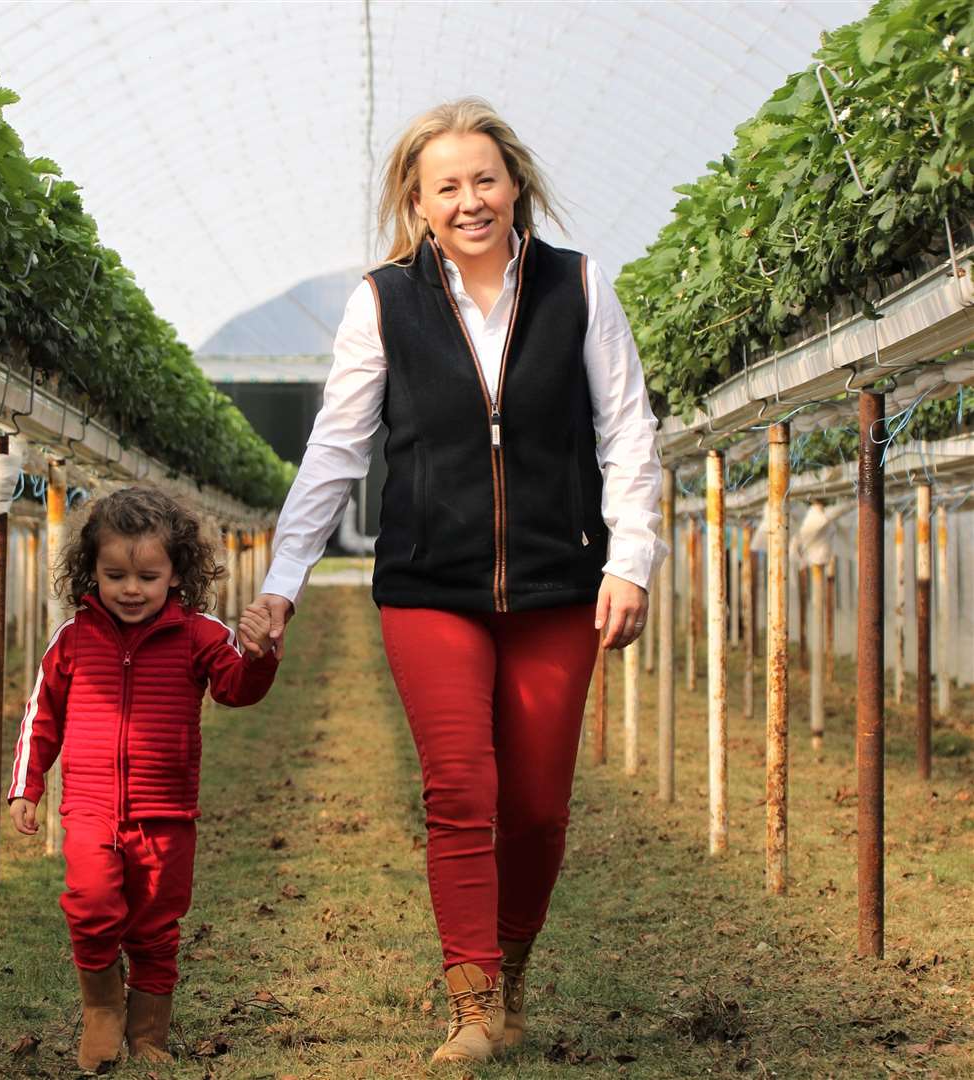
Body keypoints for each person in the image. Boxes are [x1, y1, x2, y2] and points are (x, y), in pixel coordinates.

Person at [241, 98, 666, 1064]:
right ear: (418, 203)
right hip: (430, 585)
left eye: (485, 180)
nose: (470, 200)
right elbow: (337, 450)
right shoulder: (384, 300)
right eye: (448, 187)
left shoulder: (580, 287)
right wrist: (284, 580)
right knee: (461, 788)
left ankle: (512, 965)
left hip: (560, 586)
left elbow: (627, 431)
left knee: (539, 807)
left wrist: (630, 559)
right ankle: (471, 1001)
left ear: (516, 187)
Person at [7, 486, 279, 1071]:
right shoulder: (74, 639)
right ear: (92, 572)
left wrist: (259, 658)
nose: (132, 590)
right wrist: (27, 786)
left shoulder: (200, 634)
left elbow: (236, 689)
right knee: (90, 904)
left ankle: (148, 1032)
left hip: (168, 814)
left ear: (177, 573)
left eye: (148, 577)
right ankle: (103, 1010)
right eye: (115, 575)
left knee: (155, 925)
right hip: (89, 807)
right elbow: (42, 714)